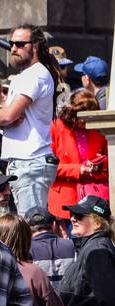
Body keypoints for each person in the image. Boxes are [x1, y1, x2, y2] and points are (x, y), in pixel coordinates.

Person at [0, 25, 60, 216]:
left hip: (31, 162)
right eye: (11, 44)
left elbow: (7, 115)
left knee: (33, 230)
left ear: (35, 46)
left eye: (20, 44)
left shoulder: (35, 74)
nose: (13, 48)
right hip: (25, 162)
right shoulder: (26, 75)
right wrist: (3, 116)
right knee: (27, 228)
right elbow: (8, 116)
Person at [49, 89, 108, 221]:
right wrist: (78, 169)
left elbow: (108, 160)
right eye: (84, 118)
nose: (87, 122)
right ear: (73, 113)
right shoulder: (56, 127)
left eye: (91, 117)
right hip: (66, 197)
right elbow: (48, 166)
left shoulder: (97, 128)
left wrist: (98, 165)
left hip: (95, 197)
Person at [26, 206, 76, 289]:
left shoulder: (25, 250)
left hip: (41, 301)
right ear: (53, 225)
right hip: (69, 300)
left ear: (27, 229)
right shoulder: (72, 246)